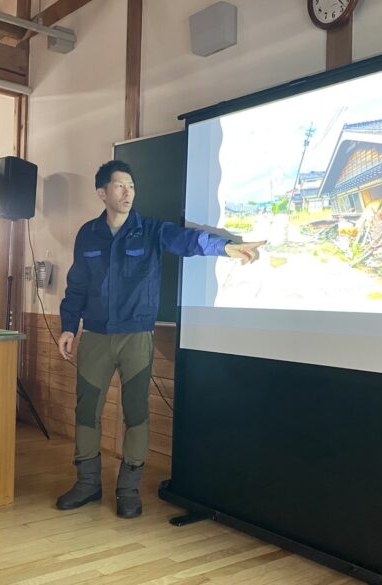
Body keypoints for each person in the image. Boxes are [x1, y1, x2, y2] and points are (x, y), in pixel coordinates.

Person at [56, 160, 264, 518]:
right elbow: (77, 286)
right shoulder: (87, 234)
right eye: (120, 186)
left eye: (132, 187)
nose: (128, 193)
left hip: (137, 336)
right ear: (102, 193)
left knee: (137, 414)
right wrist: (67, 326)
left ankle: (128, 491)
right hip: (95, 336)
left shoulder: (150, 230)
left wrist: (226, 248)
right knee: (86, 412)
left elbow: (189, 241)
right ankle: (88, 484)